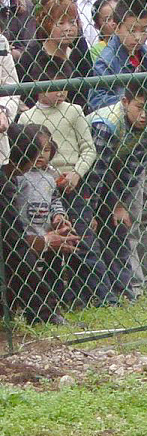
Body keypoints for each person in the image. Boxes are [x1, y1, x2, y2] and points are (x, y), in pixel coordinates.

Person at [16, 76, 100, 304]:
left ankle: (67, 301)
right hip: (28, 227)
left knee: (68, 253)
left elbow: (54, 199)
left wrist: (59, 215)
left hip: (65, 194)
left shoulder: (74, 111)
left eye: (47, 150)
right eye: (37, 150)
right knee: (32, 269)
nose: (60, 92)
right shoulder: (19, 176)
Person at [85, 79, 147, 302]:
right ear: (125, 102)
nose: (144, 115)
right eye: (139, 107)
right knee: (89, 233)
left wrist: (120, 204)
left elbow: (133, 169)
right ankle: (96, 295)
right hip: (87, 175)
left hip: (115, 173)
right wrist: (90, 210)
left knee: (119, 229)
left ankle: (125, 290)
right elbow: (96, 171)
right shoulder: (105, 124)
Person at [3, 124, 80, 324]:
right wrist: (44, 241)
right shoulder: (9, 183)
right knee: (21, 257)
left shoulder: (44, 176)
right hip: (24, 237)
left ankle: (43, 312)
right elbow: (13, 243)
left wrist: (58, 218)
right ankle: (44, 314)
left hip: (29, 237)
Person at [18, 0, 92, 110]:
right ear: (48, 25)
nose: (68, 28)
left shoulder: (79, 51)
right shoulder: (33, 55)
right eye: (61, 23)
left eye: (72, 22)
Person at [88, 2, 147, 111]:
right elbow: (96, 100)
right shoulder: (106, 60)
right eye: (131, 30)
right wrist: (126, 103)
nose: (138, 37)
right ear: (116, 28)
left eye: (144, 30)